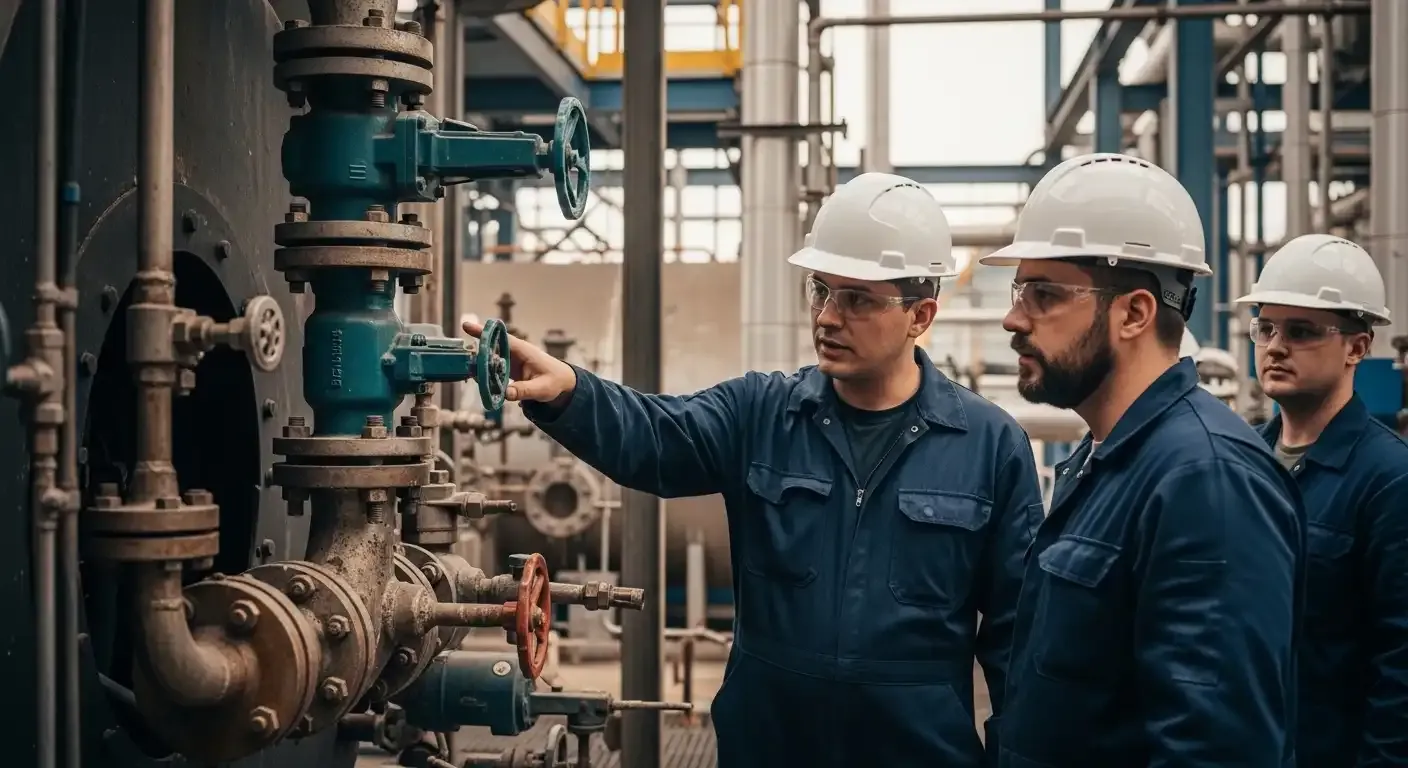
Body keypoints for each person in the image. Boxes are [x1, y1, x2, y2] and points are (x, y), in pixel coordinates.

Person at [465, 172, 1044, 767]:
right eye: (820, 290)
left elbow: (1018, 642)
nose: (827, 317)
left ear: (920, 315)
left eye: (857, 299)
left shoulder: (989, 445)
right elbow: (655, 437)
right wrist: (569, 393)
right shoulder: (762, 413)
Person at [978, 153, 1304, 766]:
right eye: (1020, 290)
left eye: (1044, 293)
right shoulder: (1105, 459)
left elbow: (1216, 749)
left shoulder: (1208, 480)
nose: (1013, 317)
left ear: (1134, 312)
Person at [1234, 233, 1408, 767]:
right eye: (1265, 327)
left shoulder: (1390, 479)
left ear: (1357, 347)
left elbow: (1401, 666)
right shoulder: (1239, 460)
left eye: (1301, 331)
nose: (1275, 346)